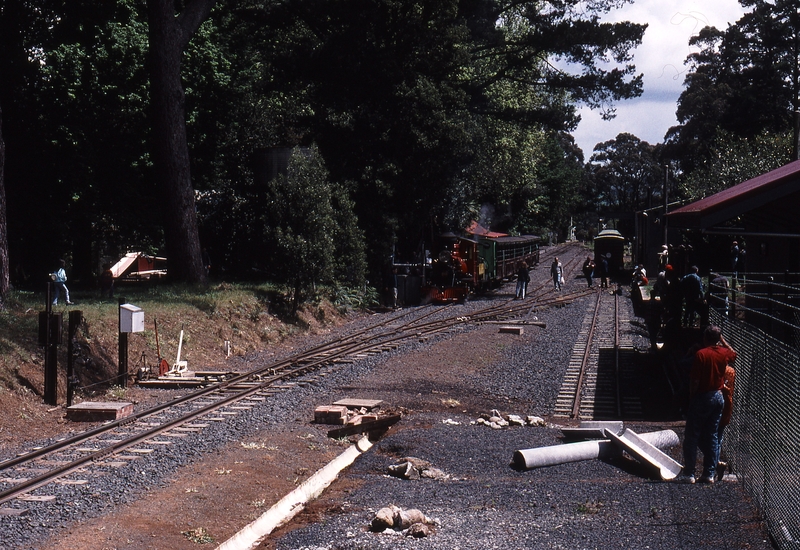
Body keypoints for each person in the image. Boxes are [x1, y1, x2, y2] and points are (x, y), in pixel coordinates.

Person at [681, 325, 736, 484]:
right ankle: (709, 473)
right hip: (718, 396)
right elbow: (734, 353)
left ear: (705, 337)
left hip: (702, 395)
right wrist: (723, 341)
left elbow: (695, 380)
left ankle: (689, 473)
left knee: (692, 435)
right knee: (712, 435)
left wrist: (692, 396)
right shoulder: (723, 353)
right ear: (717, 339)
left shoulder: (701, 355)